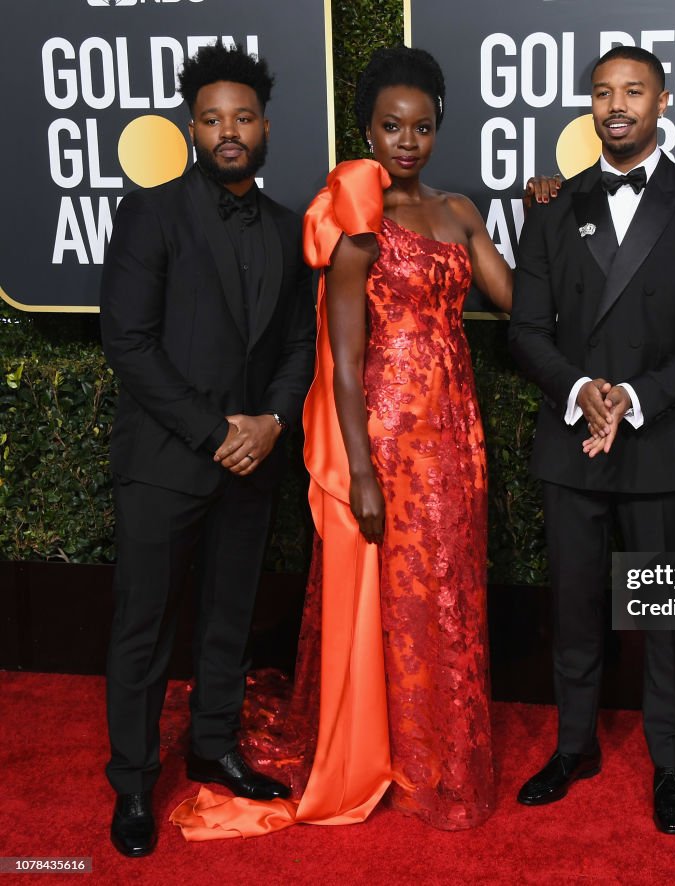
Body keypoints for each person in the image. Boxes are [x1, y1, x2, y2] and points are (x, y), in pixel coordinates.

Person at [172, 45, 539, 838]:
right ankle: (390, 757)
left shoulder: (461, 212)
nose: (407, 141)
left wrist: (543, 216)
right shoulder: (358, 220)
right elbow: (340, 364)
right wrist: (363, 473)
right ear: (368, 131)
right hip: (385, 436)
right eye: (391, 126)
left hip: (455, 438)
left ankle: (442, 753)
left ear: (439, 129)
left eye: (423, 127)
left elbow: (521, 306)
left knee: (447, 594)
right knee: (390, 600)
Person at [508, 45, 675, 835]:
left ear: (663, 101)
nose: (617, 106)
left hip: (661, 439)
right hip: (572, 438)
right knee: (574, 607)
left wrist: (632, 398)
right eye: (603, 92)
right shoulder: (552, 205)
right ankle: (574, 746)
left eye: (633, 91)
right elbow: (527, 330)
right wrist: (581, 392)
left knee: (667, 616)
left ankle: (672, 762)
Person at [100, 42, 315, 857]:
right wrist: (214, 429)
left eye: (244, 117)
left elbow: (299, 345)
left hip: (253, 462)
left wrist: (271, 423)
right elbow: (128, 338)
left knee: (229, 615)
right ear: (192, 127)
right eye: (214, 118)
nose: (230, 131)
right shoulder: (152, 213)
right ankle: (131, 783)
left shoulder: (291, 229)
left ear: (264, 126)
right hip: (165, 460)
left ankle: (214, 746)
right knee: (144, 627)